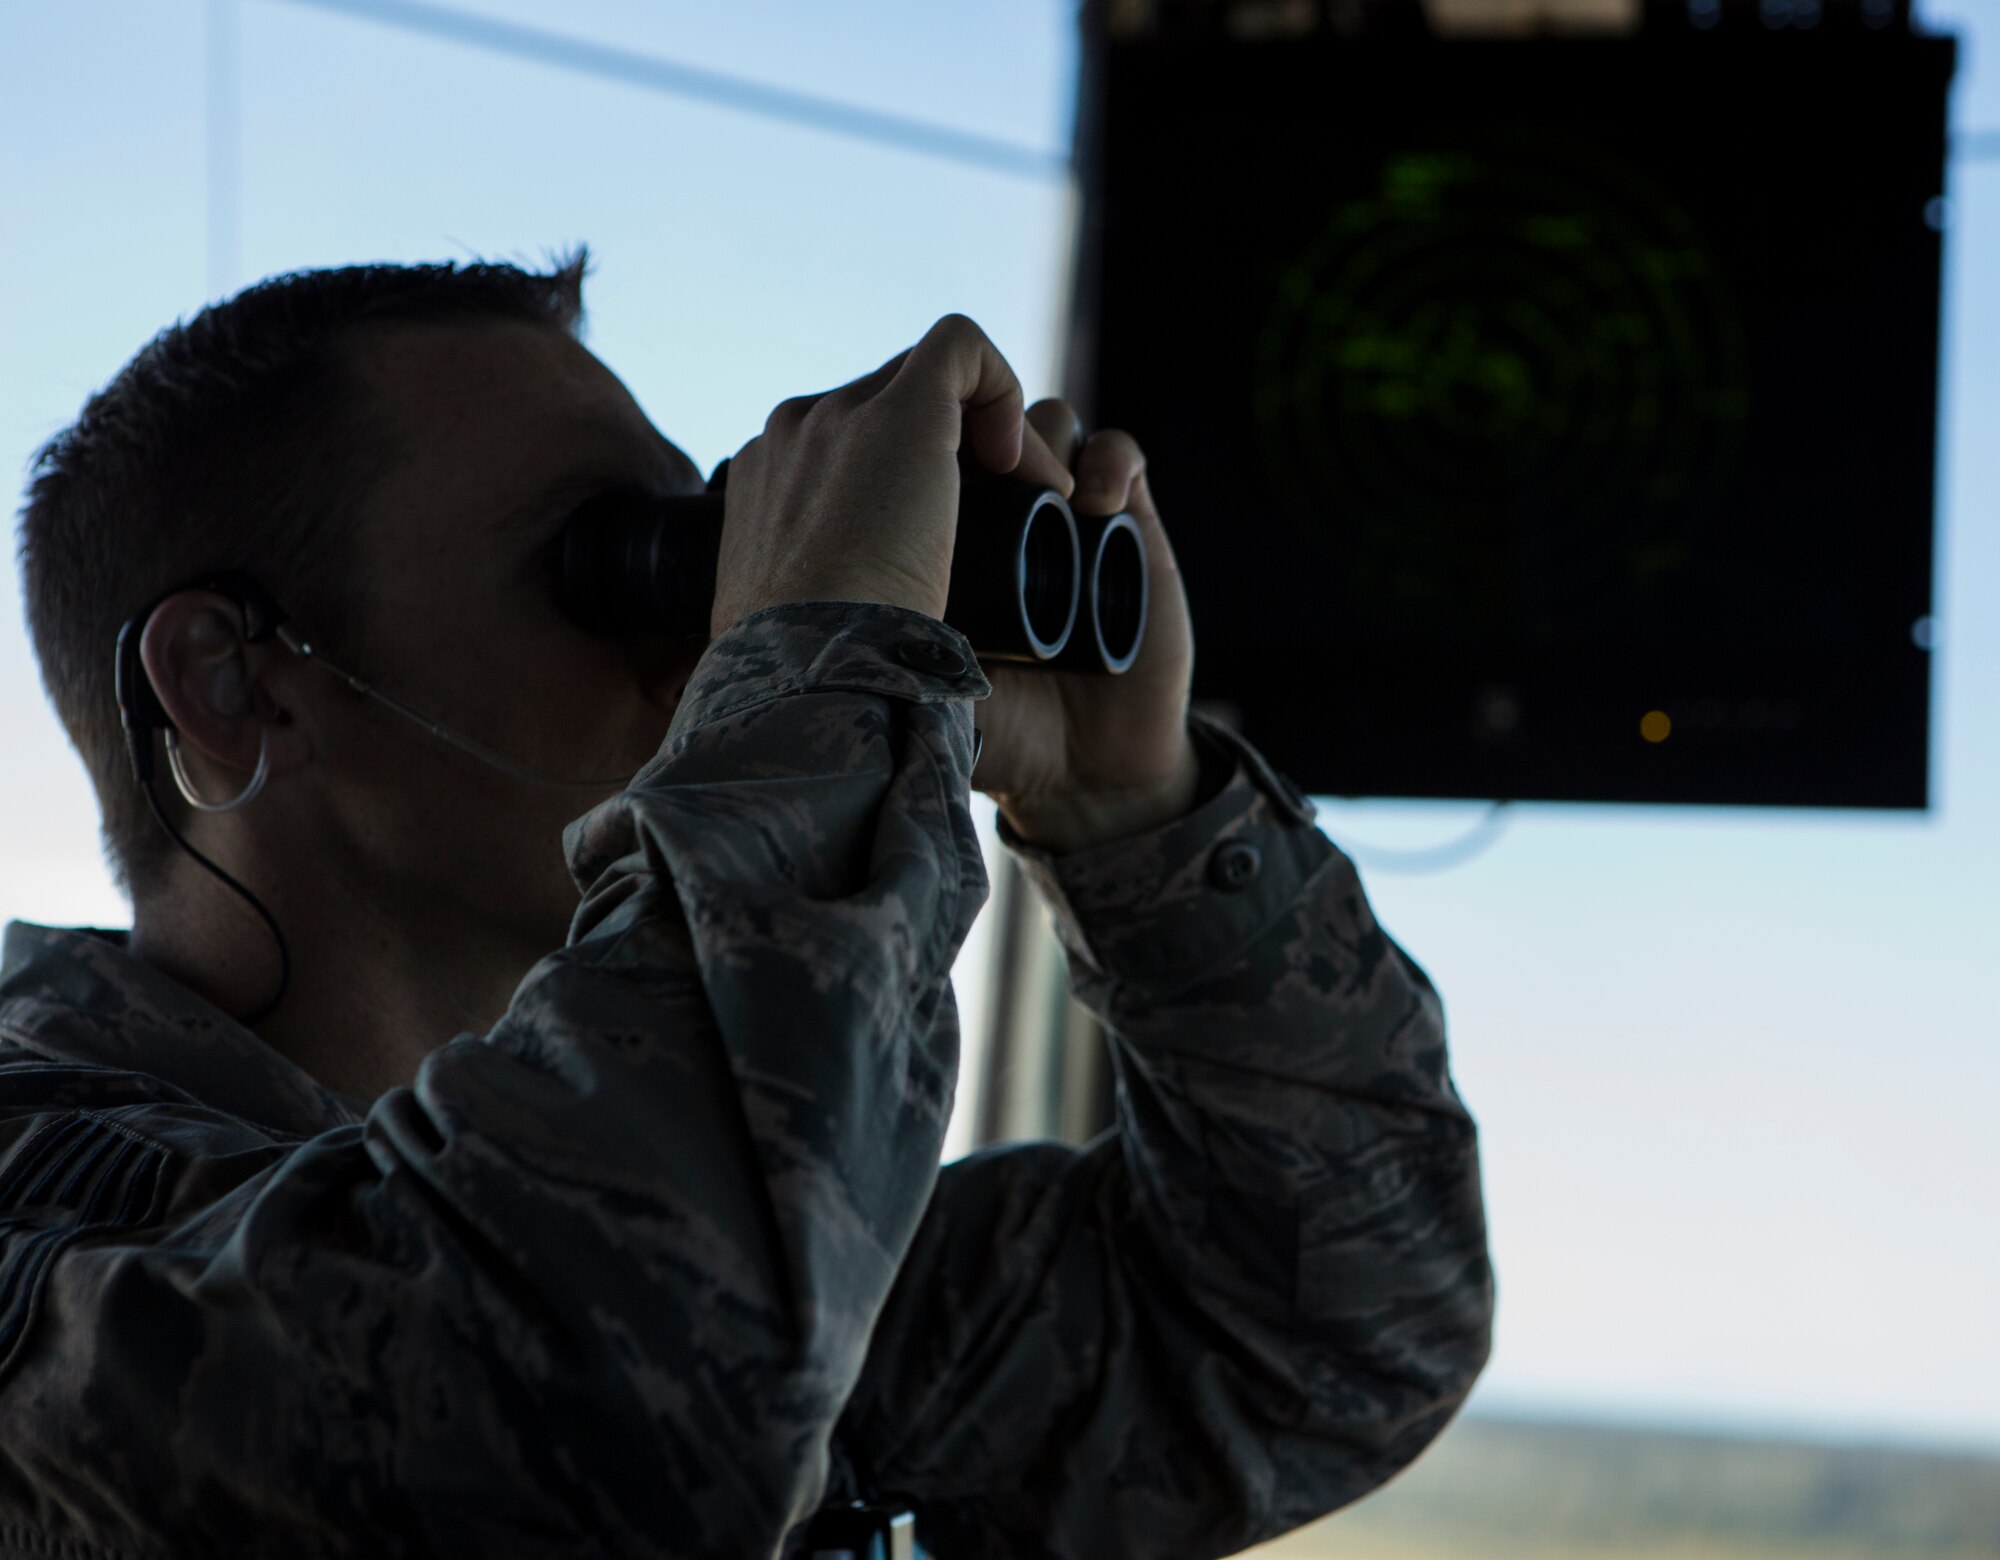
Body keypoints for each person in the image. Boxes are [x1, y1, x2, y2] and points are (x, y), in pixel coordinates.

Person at [1, 255, 1492, 1559]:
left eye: (713, 555)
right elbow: (580, 1407)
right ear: (230, 683)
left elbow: (1325, 1335)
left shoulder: (744, 1225)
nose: (713, 639)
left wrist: (1130, 814)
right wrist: (821, 658)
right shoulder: (50, 1247)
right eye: (608, 558)